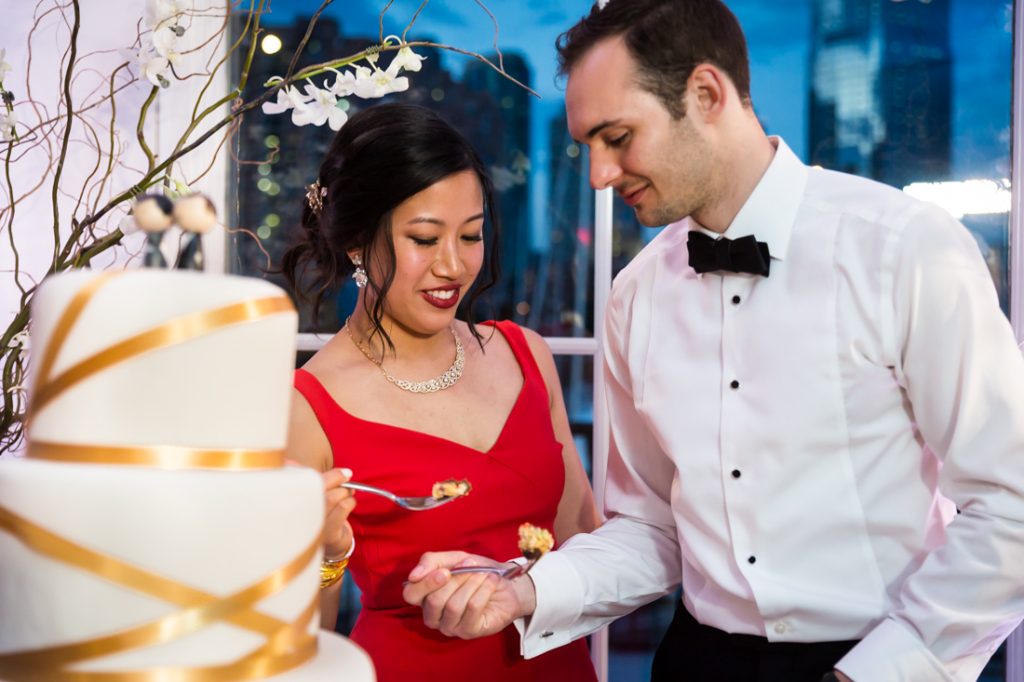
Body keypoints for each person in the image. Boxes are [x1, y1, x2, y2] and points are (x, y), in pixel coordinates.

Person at [401, 2, 1024, 681]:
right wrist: (521, 590)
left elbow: (1010, 503)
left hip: (881, 658)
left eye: (618, 137)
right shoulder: (636, 294)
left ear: (706, 94)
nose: (599, 176)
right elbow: (651, 528)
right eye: (587, 148)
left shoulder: (905, 248)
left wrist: (876, 672)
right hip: (696, 660)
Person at [281, 103, 601, 682]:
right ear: (357, 240)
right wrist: (328, 556)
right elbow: (299, 648)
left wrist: (525, 586)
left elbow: (586, 540)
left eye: (472, 235)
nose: (453, 265)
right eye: (425, 239)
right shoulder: (308, 406)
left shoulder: (525, 355)